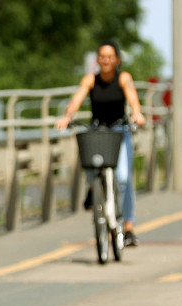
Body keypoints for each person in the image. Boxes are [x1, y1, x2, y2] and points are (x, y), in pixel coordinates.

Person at [55, 42, 147, 246]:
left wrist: (137, 114)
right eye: (102, 56)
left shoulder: (123, 78)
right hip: (97, 131)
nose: (105, 60)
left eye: (109, 56)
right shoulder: (90, 80)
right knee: (91, 164)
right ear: (97, 60)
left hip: (119, 132)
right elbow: (76, 99)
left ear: (116, 60)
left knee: (123, 178)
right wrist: (67, 117)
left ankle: (128, 227)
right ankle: (93, 189)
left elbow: (132, 98)